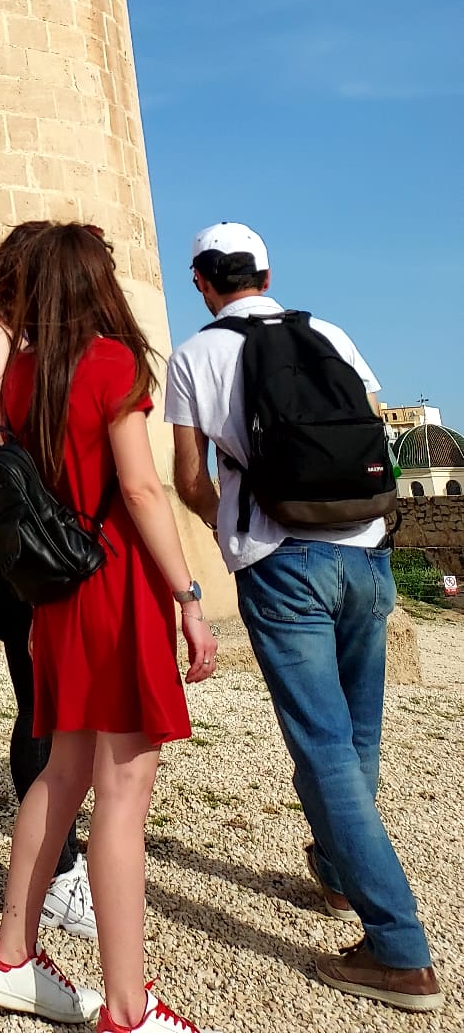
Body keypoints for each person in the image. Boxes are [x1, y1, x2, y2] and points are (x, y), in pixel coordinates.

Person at [167, 222, 442, 1016]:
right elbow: (375, 425)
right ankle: (337, 873)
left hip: (283, 562)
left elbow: (190, 474)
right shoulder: (328, 330)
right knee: (356, 737)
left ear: (201, 282)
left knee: (321, 745)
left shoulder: (196, 355)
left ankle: (399, 950)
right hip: (368, 553)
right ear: (266, 272)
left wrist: (236, 527)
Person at [0, 223, 218, 1033]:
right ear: (94, 281)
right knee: (122, 791)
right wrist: (187, 594)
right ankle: (126, 1006)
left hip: (58, 589)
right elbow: (143, 492)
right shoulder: (111, 362)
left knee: (65, 771)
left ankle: (10, 952)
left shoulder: (21, 375)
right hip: (113, 581)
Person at [0, 221, 95, 942]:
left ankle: (61, 857)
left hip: (47, 533)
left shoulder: (27, 338)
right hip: (25, 541)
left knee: (55, 702)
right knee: (38, 703)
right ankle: (57, 871)